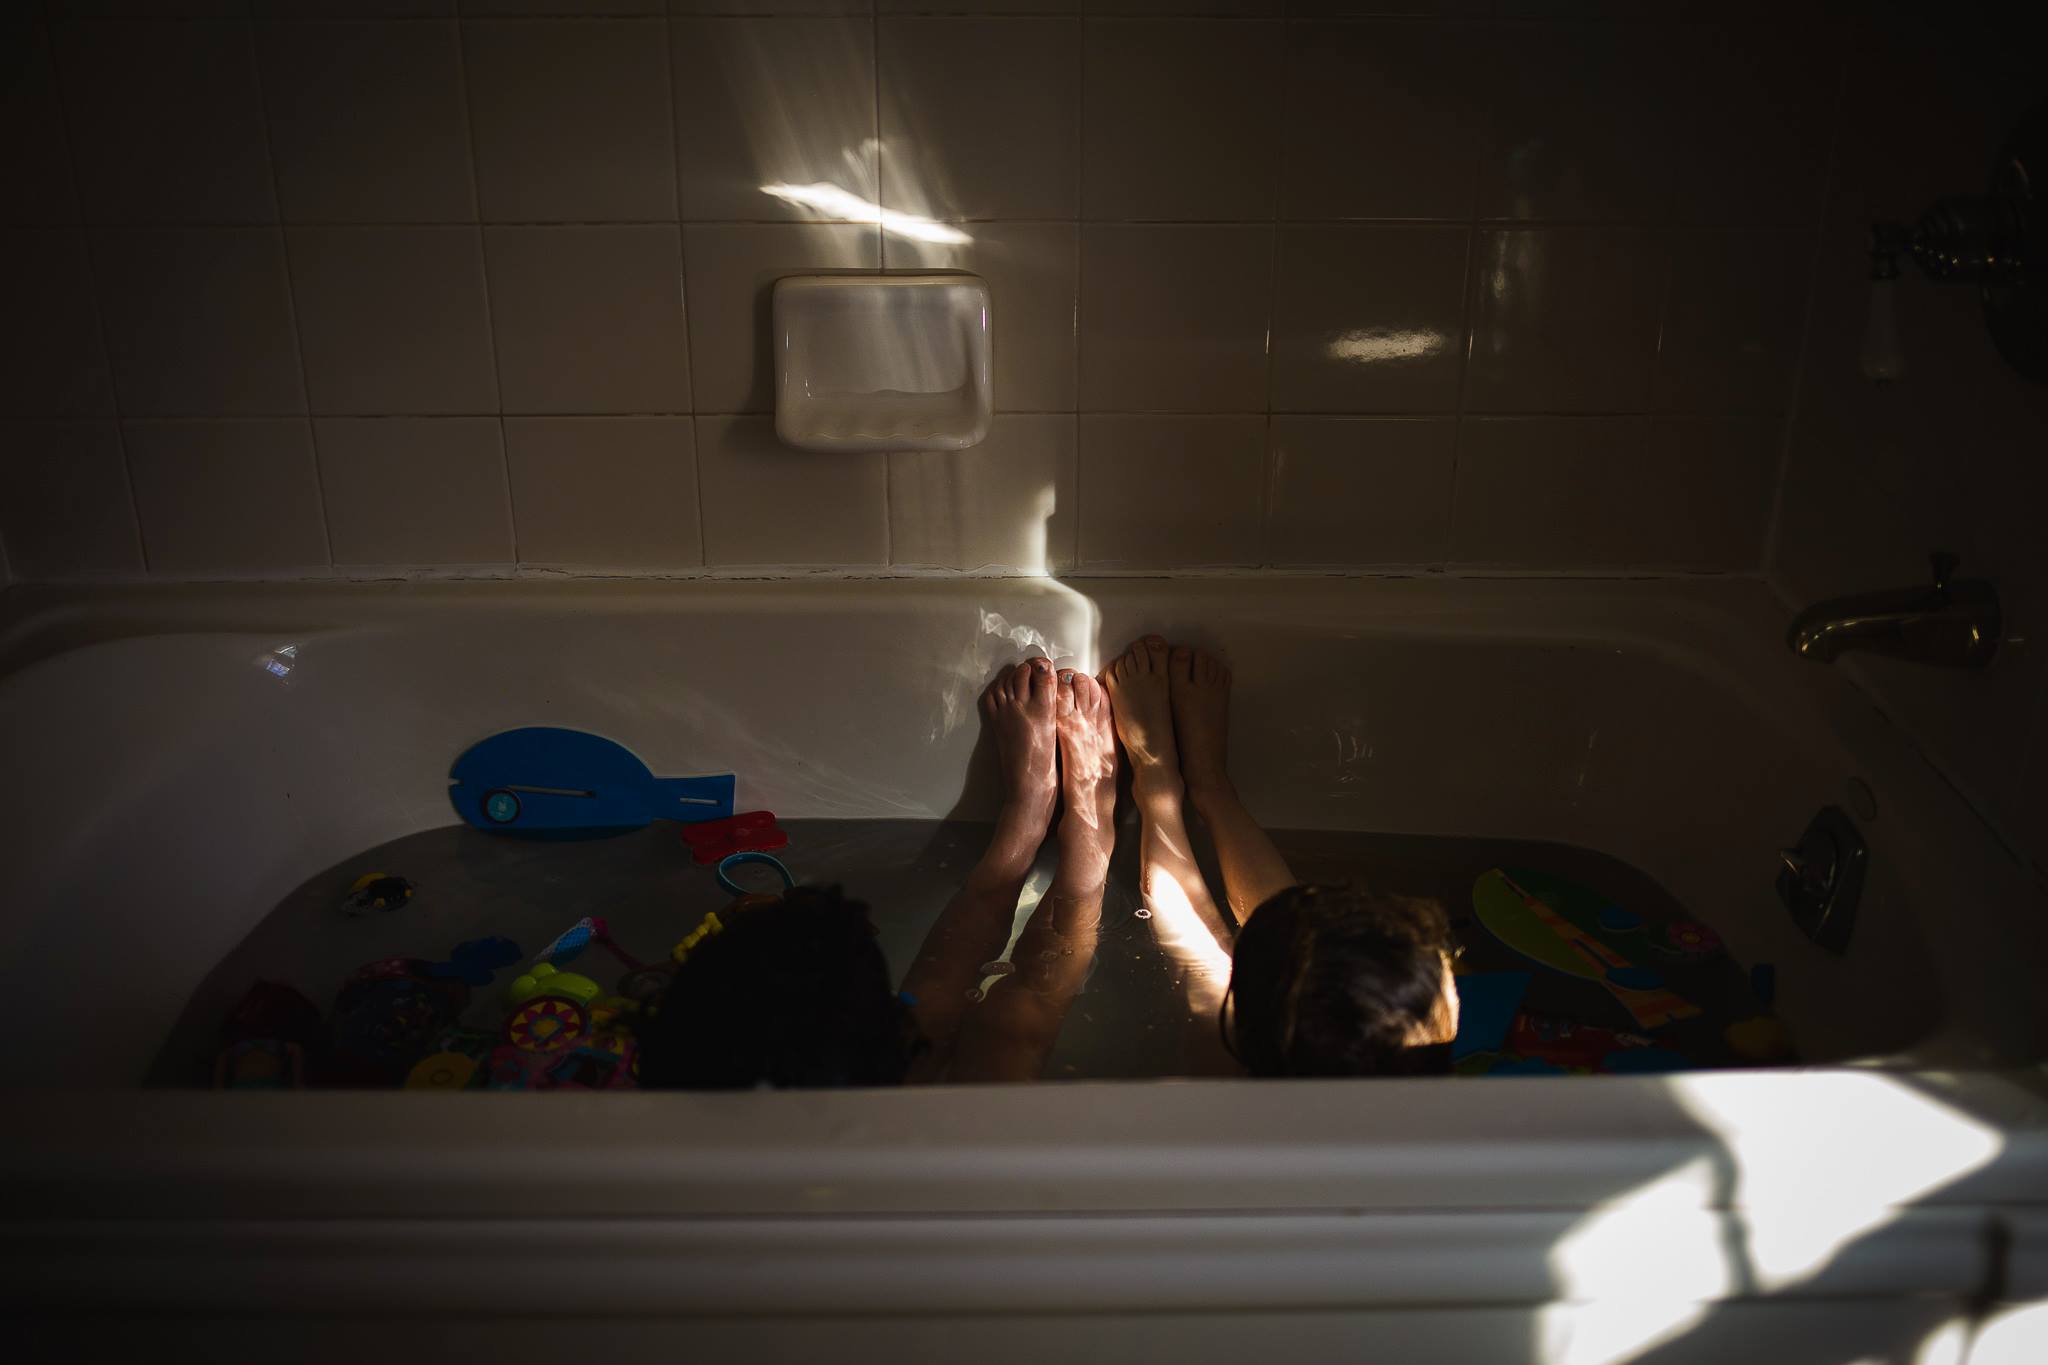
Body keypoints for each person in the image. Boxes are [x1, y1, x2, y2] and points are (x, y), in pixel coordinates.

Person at [640, 657, 1118, 1089]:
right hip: (928, 1132)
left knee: (962, 1024)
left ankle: (1026, 820)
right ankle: (1078, 826)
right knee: (1017, 1025)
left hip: (822, 1102)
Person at [1101, 636, 1460, 1078]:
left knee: (1208, 968)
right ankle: (1211, 784)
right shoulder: (1426, 1072)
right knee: (1318, 969)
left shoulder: (1227, 1067)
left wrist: (1155, 776)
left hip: (1250, 1060)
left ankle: (1157, 784)